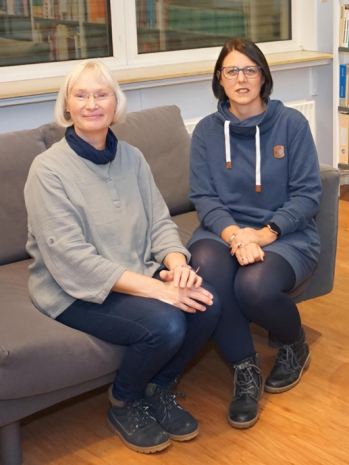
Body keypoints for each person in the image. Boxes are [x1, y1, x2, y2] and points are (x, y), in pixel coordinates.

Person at [24, 60, 221, 454]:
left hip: (133, 272)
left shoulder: (131, 157)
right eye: (80, 95)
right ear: (67, 106)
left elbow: (159, 222)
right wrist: (158, 291)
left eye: (101, 94)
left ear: (115, 103)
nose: (92, 104)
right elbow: (72, 261)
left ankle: (158, 388)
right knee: (165, 324)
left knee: (208, 303)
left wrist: (177, 266)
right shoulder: (47, 170)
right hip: (71, 290)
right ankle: (125, 401)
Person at [187, 38, 322, 429]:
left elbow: (308, 194)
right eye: (232, 70)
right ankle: (245, 371)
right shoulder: (206, 133)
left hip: (286, 232)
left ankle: (294, 344)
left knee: (254, 286)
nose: (242, 78)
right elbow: (204, 198)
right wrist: (234, 236)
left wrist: (263, 234)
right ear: (219, 79)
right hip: (222, 229)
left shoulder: (292, 124)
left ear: (264, 77)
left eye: (250, 69)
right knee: (209, 269)